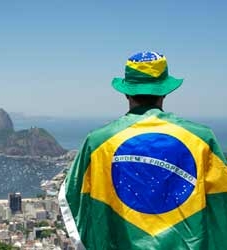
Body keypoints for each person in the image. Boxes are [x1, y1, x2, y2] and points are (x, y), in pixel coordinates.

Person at [58, 51, 227, 250]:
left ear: (126, 92)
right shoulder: (202, 139)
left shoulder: (97, 142)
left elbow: (73, 198)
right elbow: (220, 203)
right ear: (165, 91)